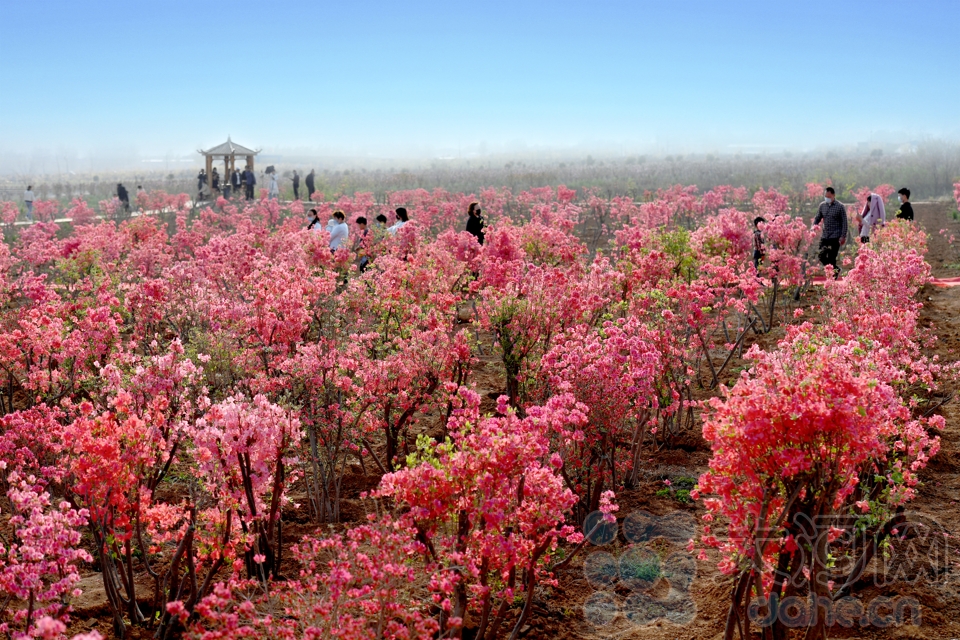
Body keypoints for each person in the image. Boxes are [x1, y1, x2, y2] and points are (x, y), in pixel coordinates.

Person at [814, 187, 848, 277]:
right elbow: (818, 217)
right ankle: (836, 269)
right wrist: (814, 227)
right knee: (821, 255)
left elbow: (844, 222)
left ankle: (833, 277)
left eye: (829, 196)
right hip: (825, 235)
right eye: (825, 196)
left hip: (836, 236)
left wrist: (843, 236)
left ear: (833, 195)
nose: (827, 198)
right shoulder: (822, 205)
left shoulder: (840, 207)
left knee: (832, 257)